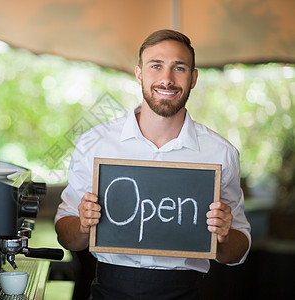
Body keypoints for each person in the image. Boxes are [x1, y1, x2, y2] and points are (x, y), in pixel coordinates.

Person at [54, 29, 251, 299]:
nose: (167, 80)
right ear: (139, 74)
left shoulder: (220, 153)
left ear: (193, 78)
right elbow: (66, 236)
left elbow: (237, 251)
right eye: (156, 66)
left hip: (185, 291)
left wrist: (225, 236)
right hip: (108, 290)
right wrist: (81, 226)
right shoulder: (95, 143)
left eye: (178, 68)